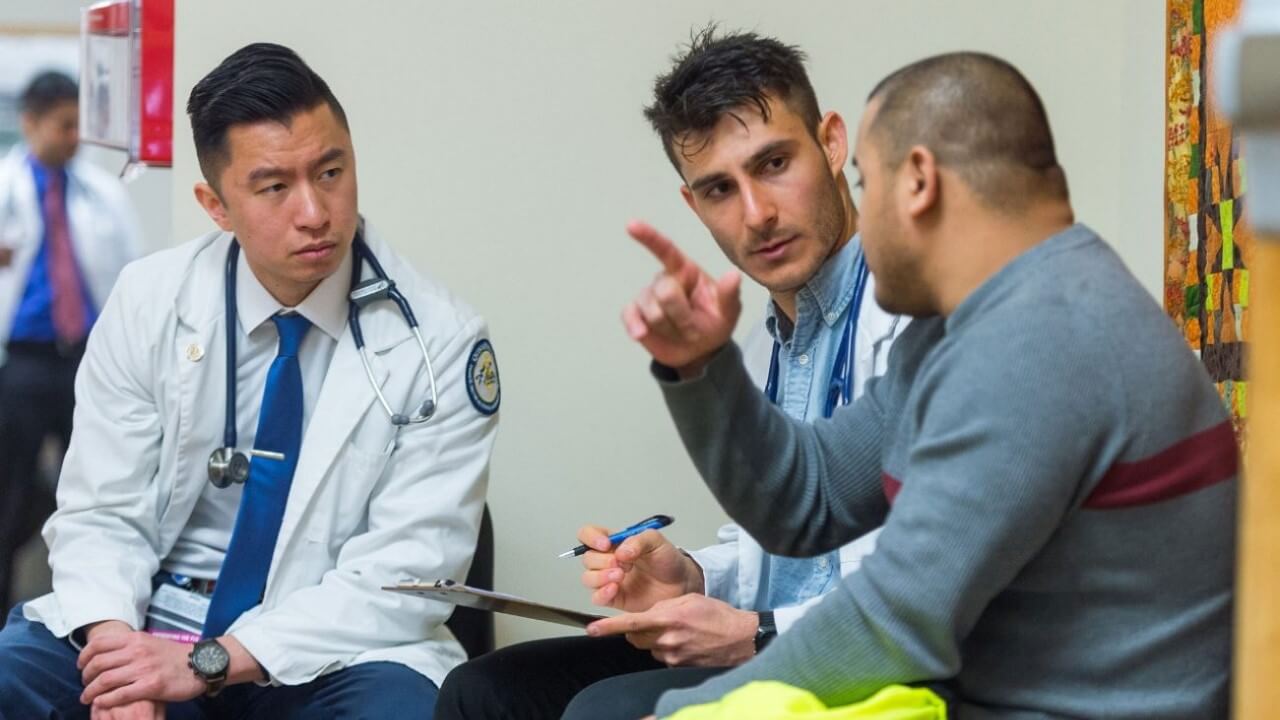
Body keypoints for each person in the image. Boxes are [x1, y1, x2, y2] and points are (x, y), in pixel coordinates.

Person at [616, 52, 1235, 719]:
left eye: (864, 180)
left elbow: (896, 621)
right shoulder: (962, 327)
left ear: (917, 182)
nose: (858, 209)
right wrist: (700, 365)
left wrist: (686, 712)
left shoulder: (1043, 335)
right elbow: (808, 496)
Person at [0, 43, 499, 719]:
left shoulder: (440, 339)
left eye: (331, 172)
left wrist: (210, 662)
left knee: (399, 711)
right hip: (152, 617)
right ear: (216, 205)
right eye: (274, 187)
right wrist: (122, 659)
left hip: (326, 647)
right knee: (13, 677)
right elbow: (100, 510)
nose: (315, 212)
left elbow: (401, 578)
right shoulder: (150, 299)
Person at [437, 29, 905, 720]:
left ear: (833, 143)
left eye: (774, 162)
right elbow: (774, 558)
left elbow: (920, 589)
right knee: (484, 693)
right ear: (693, 205)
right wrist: (686, 575)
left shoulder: (913, 325)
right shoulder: (759, 344)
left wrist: (753, 636)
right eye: (720, 188)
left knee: (603, 711)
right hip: (770, 643)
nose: (757, 214)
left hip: (861, 662)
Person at [0, 70, 142, 617]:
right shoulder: (9, 187)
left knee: (96, 489)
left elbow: (131, 272)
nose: (74, 135)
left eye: (79, 123)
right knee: (11, 497)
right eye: (63, 124)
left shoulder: (103, 194)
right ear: (31, 123)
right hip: (23, 363)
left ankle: (86, 609)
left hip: (85, 359)